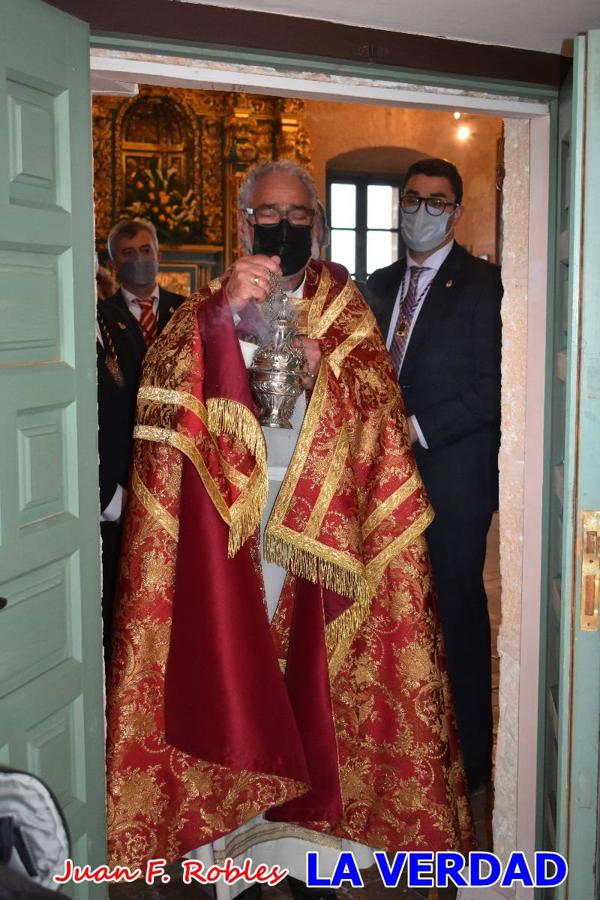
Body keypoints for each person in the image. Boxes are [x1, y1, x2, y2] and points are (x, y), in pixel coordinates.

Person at [105, 161, 474, 888]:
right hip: (231, 530)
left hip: (326, 532)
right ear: (243, 222)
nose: (284, 228)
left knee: (318, 678)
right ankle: (238, 830)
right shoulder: (206, 306)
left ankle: (324, 833)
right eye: (269, 216)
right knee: (240, 672)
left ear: (319, 225)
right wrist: (218, 324)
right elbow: (159, 406)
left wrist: (324, 375)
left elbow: (384, 414)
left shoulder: (346, 306)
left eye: (300, 217)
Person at [365, 157, 503, 800]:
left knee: (454, 612)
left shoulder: (485, 288)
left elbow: (492, 387)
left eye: (437, 202)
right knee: (391, 616)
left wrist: (413, 428)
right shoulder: (377, 283)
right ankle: (399, 753)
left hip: (451, 480)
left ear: (457, 210)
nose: (422, 212)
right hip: (378, 482)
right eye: (412, 199)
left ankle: (470, 764)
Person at [97, 219, 185, 662]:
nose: (139, 261)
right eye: (127, 253)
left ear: (158, 253)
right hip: (128, 463)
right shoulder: (101, 317)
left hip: (183, 458)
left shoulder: (185, 310)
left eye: (145, 250)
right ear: (113, 262)